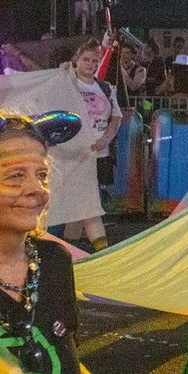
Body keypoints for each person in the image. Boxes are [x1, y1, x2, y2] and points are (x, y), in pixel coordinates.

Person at [0, 110, 126, 374]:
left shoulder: (53, 261)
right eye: (15, 176)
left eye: (42, 175)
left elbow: (63, 361)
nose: (36, 189)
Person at [65, 40, 119, 252]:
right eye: (86, 59)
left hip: (99, 154)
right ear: (76, 61)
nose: (90, 64)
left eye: (94, 61)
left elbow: (116, 118)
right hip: (75, 155)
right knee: (88, 204)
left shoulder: (104, 87)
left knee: (79, 208)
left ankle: (69, 254)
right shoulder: (67, 84)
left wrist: (105, 139)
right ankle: (103, 253)